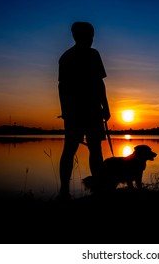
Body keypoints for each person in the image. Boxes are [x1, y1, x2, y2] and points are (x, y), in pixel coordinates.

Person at [58, 21, 110, 199]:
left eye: (92, 35)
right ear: (77, 36)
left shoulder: (93, 55)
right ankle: (64, 191)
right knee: (71, 149)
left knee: (94, 150)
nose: (92, 39)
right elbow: (62, 87)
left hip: (92, 111)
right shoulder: (67, 58)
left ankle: (98, 188)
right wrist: (66, 111)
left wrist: (106, 107)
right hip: (76, 112)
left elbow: (99, 82)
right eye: (89, 35)